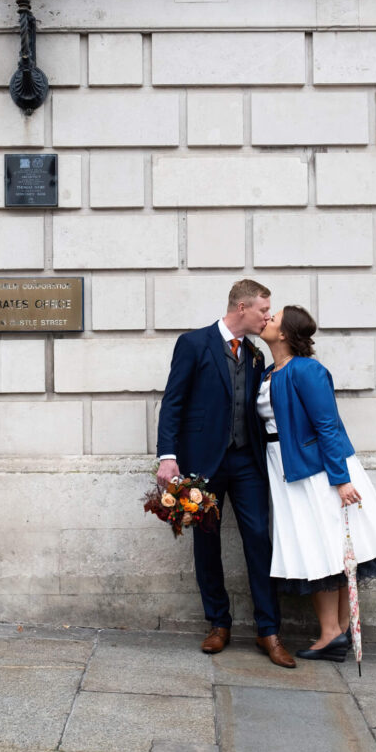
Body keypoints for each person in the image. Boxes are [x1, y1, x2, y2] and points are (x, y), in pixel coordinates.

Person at [157, 279, 294, 669]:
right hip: (202, 463)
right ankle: (218, 624)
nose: (268, 316)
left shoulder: (253, 356)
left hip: (246, 462)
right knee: (206, 544)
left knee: (259, 541)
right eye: (264, 310)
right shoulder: (194, 343)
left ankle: (269, 630)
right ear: (242, 309)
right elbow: (174, 403)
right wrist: (168, 456)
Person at [257, 305, 376, 661]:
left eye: (273, 318)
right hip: (287, 469)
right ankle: (337, 632)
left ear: (285, 333)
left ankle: (331, 633)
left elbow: (328, 425)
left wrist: (340, 479)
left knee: (323, 547)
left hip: (317, 472)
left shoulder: (307, 370)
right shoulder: (267, 373)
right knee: (325, 547)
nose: (267, 320)